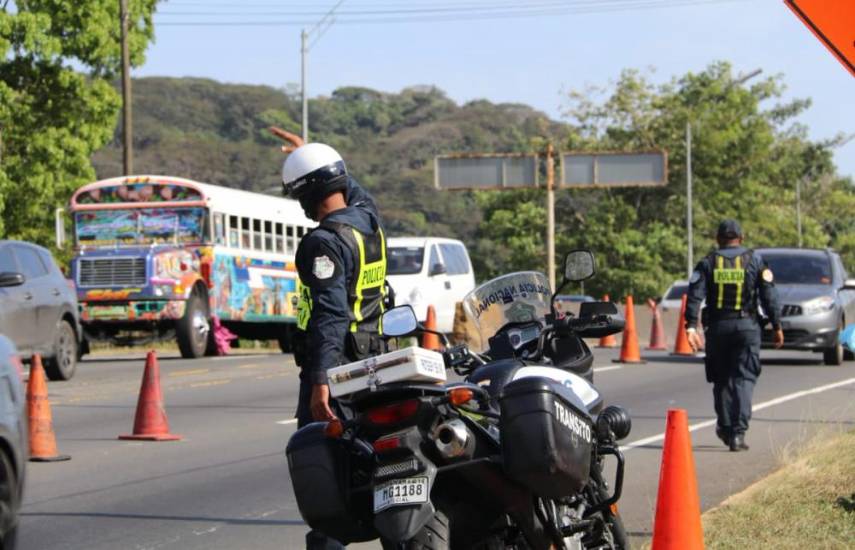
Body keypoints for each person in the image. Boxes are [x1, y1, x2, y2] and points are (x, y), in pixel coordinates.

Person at [282, 142, 387, 549]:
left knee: (323, 482)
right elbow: (355, 190)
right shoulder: (369, 222)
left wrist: (321, 379)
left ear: (307, 195)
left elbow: (330, 313)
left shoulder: (322, 242)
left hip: (337, 369)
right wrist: (317, 160)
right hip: (375, 361)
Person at [685, 220, 784, 452]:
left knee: (721, 380)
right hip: (747, 327)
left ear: (718, 238)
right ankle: (738, 433)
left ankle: (726, 427)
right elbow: (769, 296)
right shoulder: (755, 260)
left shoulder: (708, 262)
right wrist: (777, 325)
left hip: (718, 328)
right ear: (741, 237)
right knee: (744, 378)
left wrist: (690, 327)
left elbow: (694, 296)